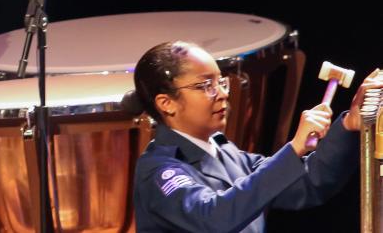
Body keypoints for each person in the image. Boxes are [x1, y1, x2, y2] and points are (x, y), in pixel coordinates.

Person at [125, 40, 383, 233]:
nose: (223, 94)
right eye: (205, 86)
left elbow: (308, 183)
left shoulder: (223, 150)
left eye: (221, 82)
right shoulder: (160, 171)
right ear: (167, 103)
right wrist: (294, 147)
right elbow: (214, 218)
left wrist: (348, 125)